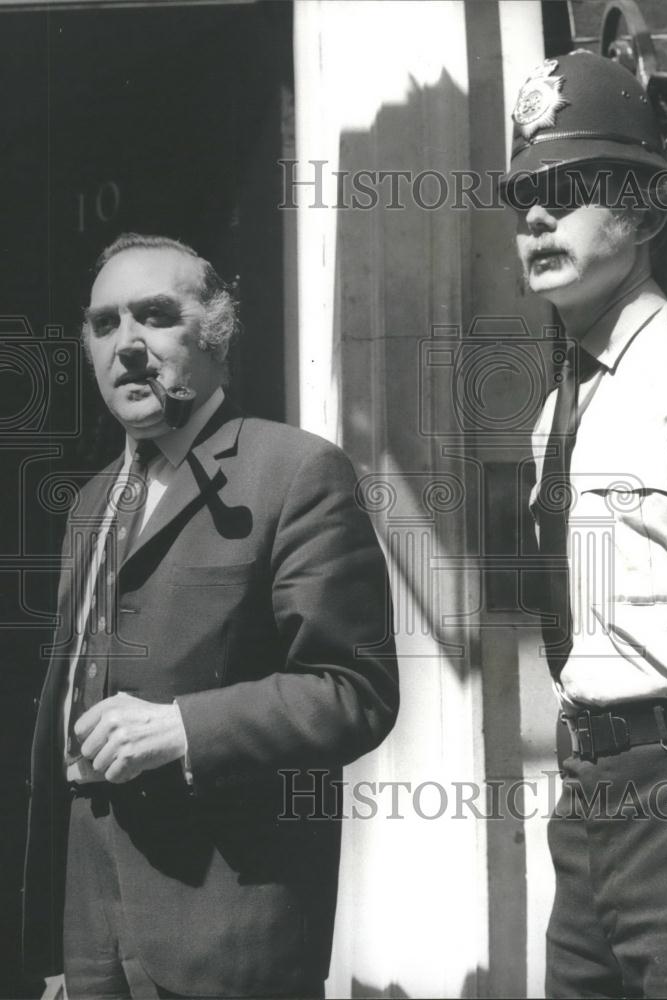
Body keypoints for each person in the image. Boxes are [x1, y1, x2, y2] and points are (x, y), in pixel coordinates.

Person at [22, 233, 399, 999]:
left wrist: (183, 727)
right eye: (103, 324)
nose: (126, 344)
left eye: (154, 316)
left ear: (217, 331)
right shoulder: (92, 502)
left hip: (229, 934)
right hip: (95, 938)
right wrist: (57, 950)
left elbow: (354, 691)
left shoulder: (293, 471)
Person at [502, 52, 667, 998]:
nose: (537, 218)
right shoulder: (555, 410)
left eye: (567, 190)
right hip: (587, 793)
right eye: (524, 200)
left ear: (636, 210)